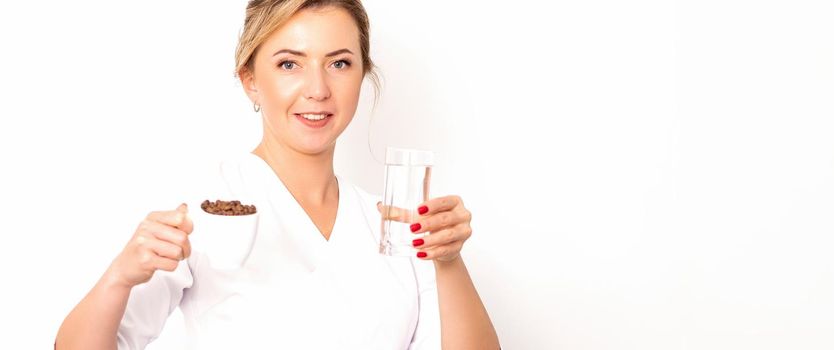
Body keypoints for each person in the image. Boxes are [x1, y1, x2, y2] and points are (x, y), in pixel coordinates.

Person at [54, 1, 500, 349]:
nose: (318, 89)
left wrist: (448, 260)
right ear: (249, 78)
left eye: (339, 63)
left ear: (363, 74)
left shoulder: (395, 225)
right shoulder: (205, 212)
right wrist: (121, 275)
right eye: (290, 63)